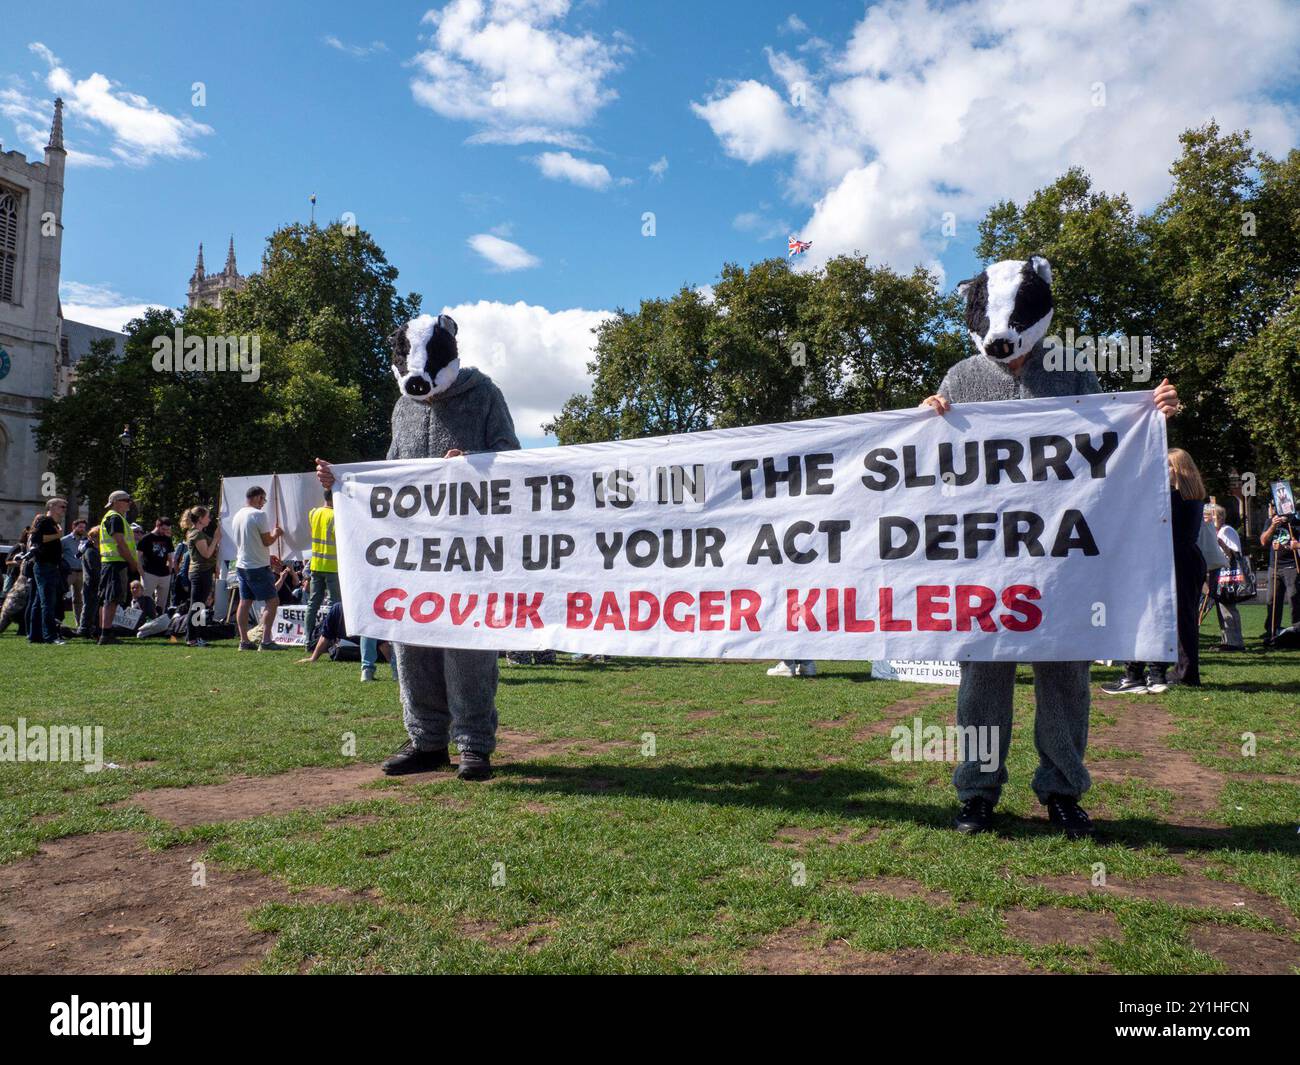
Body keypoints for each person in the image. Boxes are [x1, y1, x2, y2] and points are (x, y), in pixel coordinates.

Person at [922, 255, 1180, 839]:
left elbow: (1110, 443)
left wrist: (1153, 416)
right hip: (986, 561)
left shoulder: (1073, 373)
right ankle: (977, 791)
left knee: (1065, 675)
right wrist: (924, 419)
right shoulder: (961, 378)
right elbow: (927, 465)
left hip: (1062, 559)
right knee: (982, 680)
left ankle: (1062, 790)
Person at [316, 310, 519, 780]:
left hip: (470, 552)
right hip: (412, 553)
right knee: (411, 644)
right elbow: (389, 472)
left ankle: (473, 744)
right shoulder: (402, 407)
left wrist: (475, 462)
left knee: (468, 645)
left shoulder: (484, 394)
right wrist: (343, 482)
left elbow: (512, 459)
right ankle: (426, 741)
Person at [231, 485, 285, 651]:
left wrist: (266, 555)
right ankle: (266, 640)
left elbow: (248, 542)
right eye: (263, 499)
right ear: (256, 497)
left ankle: (244, 641)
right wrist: (276, 533)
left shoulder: (238, 515)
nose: (264, 503)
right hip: (257, 566)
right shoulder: (258, 514)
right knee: (273, 601)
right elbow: (267, 541)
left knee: (245, 602)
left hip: (242, 564)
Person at [97, 491, 140, 646]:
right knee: (111, 599)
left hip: (113, 562)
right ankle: (105, 634)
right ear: (115, 502)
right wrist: (132, 562)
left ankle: (105, 632)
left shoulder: (117, 517)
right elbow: (120, 543)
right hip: (115, 562)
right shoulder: (114, 517)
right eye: (126, 500)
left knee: (109, 599)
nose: (129, 503)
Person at [28, 497, 68, 645]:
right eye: (61, 506)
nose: (64, 509)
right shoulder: (44, 521)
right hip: (45, 565)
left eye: (64, 507)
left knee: (39, 602)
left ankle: (35, 635)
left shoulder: (53, 523)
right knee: (47, 602)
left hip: (49, 566)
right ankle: (50, 636)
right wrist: (58, 535)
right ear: (50, 507)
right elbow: (37, 539)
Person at [1205, 504, 1245, 651]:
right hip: (1219, 573)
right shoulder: (1215, 532)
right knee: (1222, 607)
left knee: (1228, 606)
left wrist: (1218, 542)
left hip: (1227, 574)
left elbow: (1233, 554)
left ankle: (1234, 642)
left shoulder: (1226, 531)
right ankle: (1227, 639)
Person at [181, 505, 221, 647]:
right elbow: (206, 553)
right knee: (197, 605)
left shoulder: (198, 533)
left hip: (204, 572)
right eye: (207, 516)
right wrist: (216, 539)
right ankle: (191, 638)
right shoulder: (196, 534)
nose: (209, 519)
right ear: (200, 519)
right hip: (199, 573)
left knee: (200, 605)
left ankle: (198, 637)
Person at [304, 489, 340, 645]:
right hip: (332, 566)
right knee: (335, 605)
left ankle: (307, 640)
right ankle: (330, 641)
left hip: (316, 565)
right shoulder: (335, 516)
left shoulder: (314, 513)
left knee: (313, 603)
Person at [1261, 502, 1299, 642]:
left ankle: (1297, 629)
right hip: (1274, 567)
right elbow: (1264, 541)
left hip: (1292, 566)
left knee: (1294, 598)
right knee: (1272, 599)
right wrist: (1273, 525)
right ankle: (1272, 629)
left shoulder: (1296, 522)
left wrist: (1297, 545)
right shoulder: (1270, 521)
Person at [136, 517, 175, 610]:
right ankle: (144, 620)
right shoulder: (146, 538)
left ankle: (159, 620)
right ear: (157, 526)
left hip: (164, 575)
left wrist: (169, 571)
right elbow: (137, 557)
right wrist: (142, 573)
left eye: (167, 529)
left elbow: (170, 558)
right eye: (163, 529)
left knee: (162, 603)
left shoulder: (168, 539)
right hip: (149, 573)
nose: (165, 531)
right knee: (145, 601)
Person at [76, 526, 102, 638]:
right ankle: (84, 629)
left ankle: (93, 628)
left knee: (94, 607)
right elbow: (94, 569)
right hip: (91, 583)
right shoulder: (90, 551)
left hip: (96, 583)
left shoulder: (97, 551)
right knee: (89, 607)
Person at [61, 519, 87, 624]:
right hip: (69, 573)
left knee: (79, 599)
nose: (82, 529)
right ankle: (58, 621)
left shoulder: (86, 540)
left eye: (84, 527)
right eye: (80, 527)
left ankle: (79, 623)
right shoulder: (64, 540)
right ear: (74, 527)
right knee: (60, 595)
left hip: (82, 573)